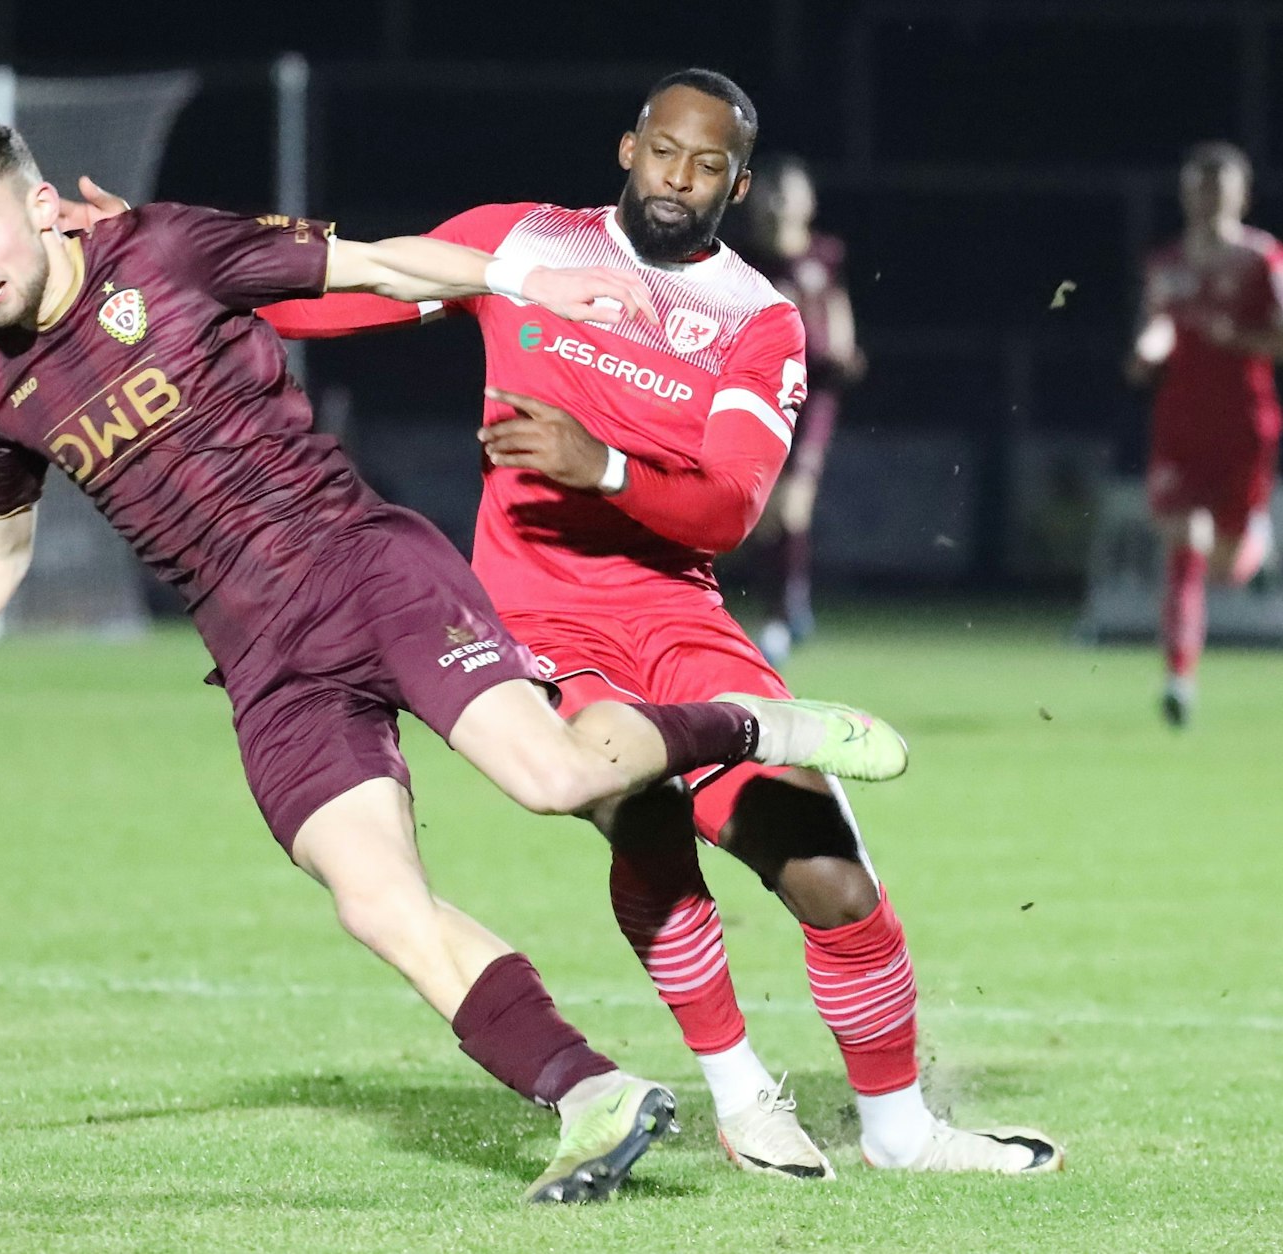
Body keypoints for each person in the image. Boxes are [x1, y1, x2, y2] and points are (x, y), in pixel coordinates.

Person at [0, 117, 910, 1205]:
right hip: (261, 659)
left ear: (37, 207)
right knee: (374, 902)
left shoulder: (163, 248)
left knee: (553, 778)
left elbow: (377, 265)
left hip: (365, 570)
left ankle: (758, 726)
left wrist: (518, 283)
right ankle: (592, 1096)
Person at [250, 69, 1062, 1177]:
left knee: (827, 872)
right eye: (665, 151)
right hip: (537, 625)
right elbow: (330, 294)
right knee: (640, 822)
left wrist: (604, 465)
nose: (680, 177)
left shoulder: (756, 320)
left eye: (708, 163)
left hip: (677, 618)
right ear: (627, 147)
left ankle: (900, 1131)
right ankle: (739, 1095)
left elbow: (728, 507)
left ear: (735, 181)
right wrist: (163, 255)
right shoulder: (524, 244)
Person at [1126, 141, 1283, 728]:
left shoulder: (1261, 257)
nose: (1208, 196)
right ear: (1186, 193)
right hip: (1181, 424)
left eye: (1219, 185)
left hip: (1244, 423)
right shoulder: (1166, 263)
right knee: (1185, 544)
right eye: (1199, 185)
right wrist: (1147, 351)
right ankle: (1178, 679)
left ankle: (1251, 543)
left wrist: (1232, 336)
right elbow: (1158, 325)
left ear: (1240, 194)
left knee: (1226, 563)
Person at [734, 155, 866, 667]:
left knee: (793, 506)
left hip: (813, 398)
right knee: (766, 522)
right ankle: (784, 603)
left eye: (789, 192)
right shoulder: (741, 258)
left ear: (808, 202)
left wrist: (846, 349)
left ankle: (786, 611)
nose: (780, 203)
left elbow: (836, 311)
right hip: (760, 393)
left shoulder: (825, 255)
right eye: (772, 192)